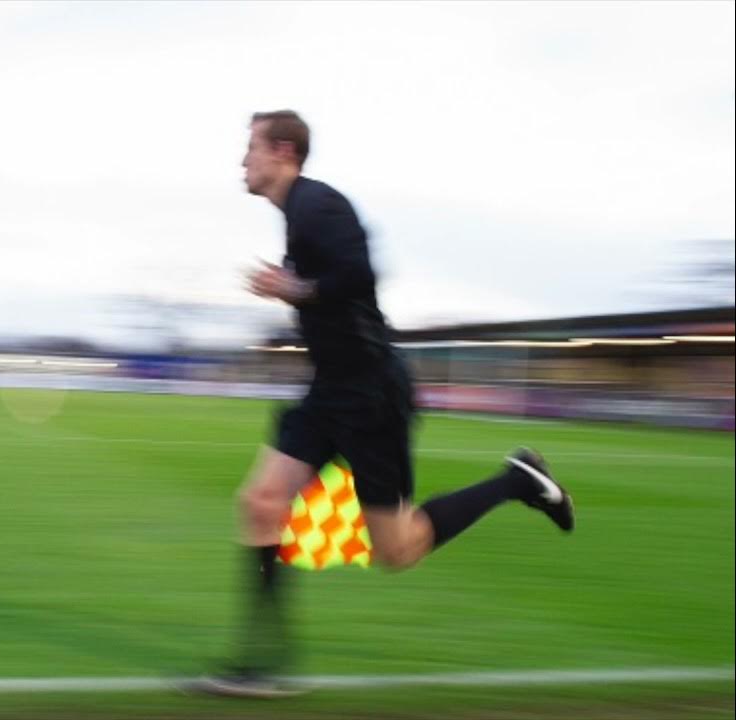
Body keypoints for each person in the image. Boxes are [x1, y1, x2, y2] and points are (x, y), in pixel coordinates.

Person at [190, 110, 575, 698]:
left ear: (284, 151)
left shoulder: (318, 204)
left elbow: (359, 273)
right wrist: (296, 290)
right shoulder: (297, 217)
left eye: (252, 148)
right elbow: (332, 290)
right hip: (330, 390)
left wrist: (293, 288)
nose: (243, 160)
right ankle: (262, 664)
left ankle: (517, 481)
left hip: (370, 393)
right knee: (262, 502)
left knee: (398, 550)